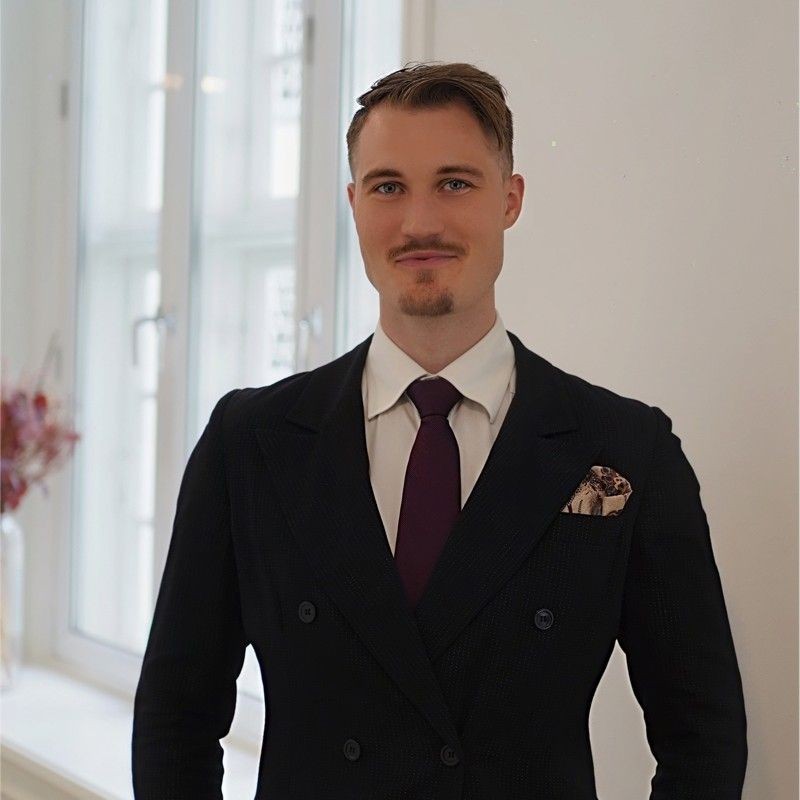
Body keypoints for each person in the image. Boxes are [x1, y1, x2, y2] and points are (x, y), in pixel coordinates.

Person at [132, 62, 747, 799]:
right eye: (389, 186)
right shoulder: (250, 443)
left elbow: (703, 739)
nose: (420, 222)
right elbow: (176, 718)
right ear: (355, 203)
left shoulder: (624, 451)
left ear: (510, 199)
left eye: (455, 182)